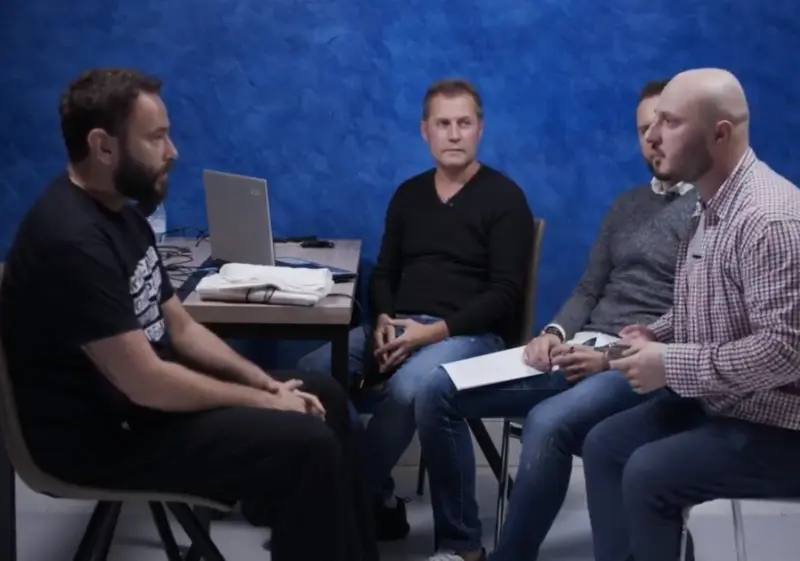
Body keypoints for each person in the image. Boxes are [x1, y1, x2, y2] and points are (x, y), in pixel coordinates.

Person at [0, 68, 378, 561]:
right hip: (105, 440)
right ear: (103, 146)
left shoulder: (121, 214)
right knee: (305, 443)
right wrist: (267, 403)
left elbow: (179, 327)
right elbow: (147, 383)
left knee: (325, 395)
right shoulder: (71, 241)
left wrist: (265, 385)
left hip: (145, 411)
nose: (173, 151)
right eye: (156, 137)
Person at [410, 80, 698, 561]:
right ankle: (460, 546)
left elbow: (693, 319)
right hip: (578, 348)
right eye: (643, 129)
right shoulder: (627, 205)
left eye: (664, 126)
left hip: (637, 364)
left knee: (546, 422)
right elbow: (588, 288)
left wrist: (608, 357)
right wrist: (552, 333)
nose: (653, 139)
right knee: (436, 390)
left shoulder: (707, 211)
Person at [296, 78, 535, 539]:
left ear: (480, 129)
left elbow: (506, 295)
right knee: (314, 371)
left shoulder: (506, 199)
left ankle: (344, 501)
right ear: (425, 131)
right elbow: (384, 273)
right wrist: (383, 321)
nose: (454, 134)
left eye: (464, 123)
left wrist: (433, 333)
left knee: (409, 388)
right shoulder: (409, 195)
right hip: (400, 327)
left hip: (470, 336)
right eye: (443, 124)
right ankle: (376, 495)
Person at [581, 68, 800, 561]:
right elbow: (715, 306)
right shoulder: (710, 203)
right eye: (653, 122)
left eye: (671, 123)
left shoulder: (770, 219)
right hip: (730, 403)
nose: (653, 137)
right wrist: (654, 335)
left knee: (648, 473)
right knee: (604, 445)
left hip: (783, 423)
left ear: (720, 134)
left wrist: (669, 364)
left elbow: (785, 351)